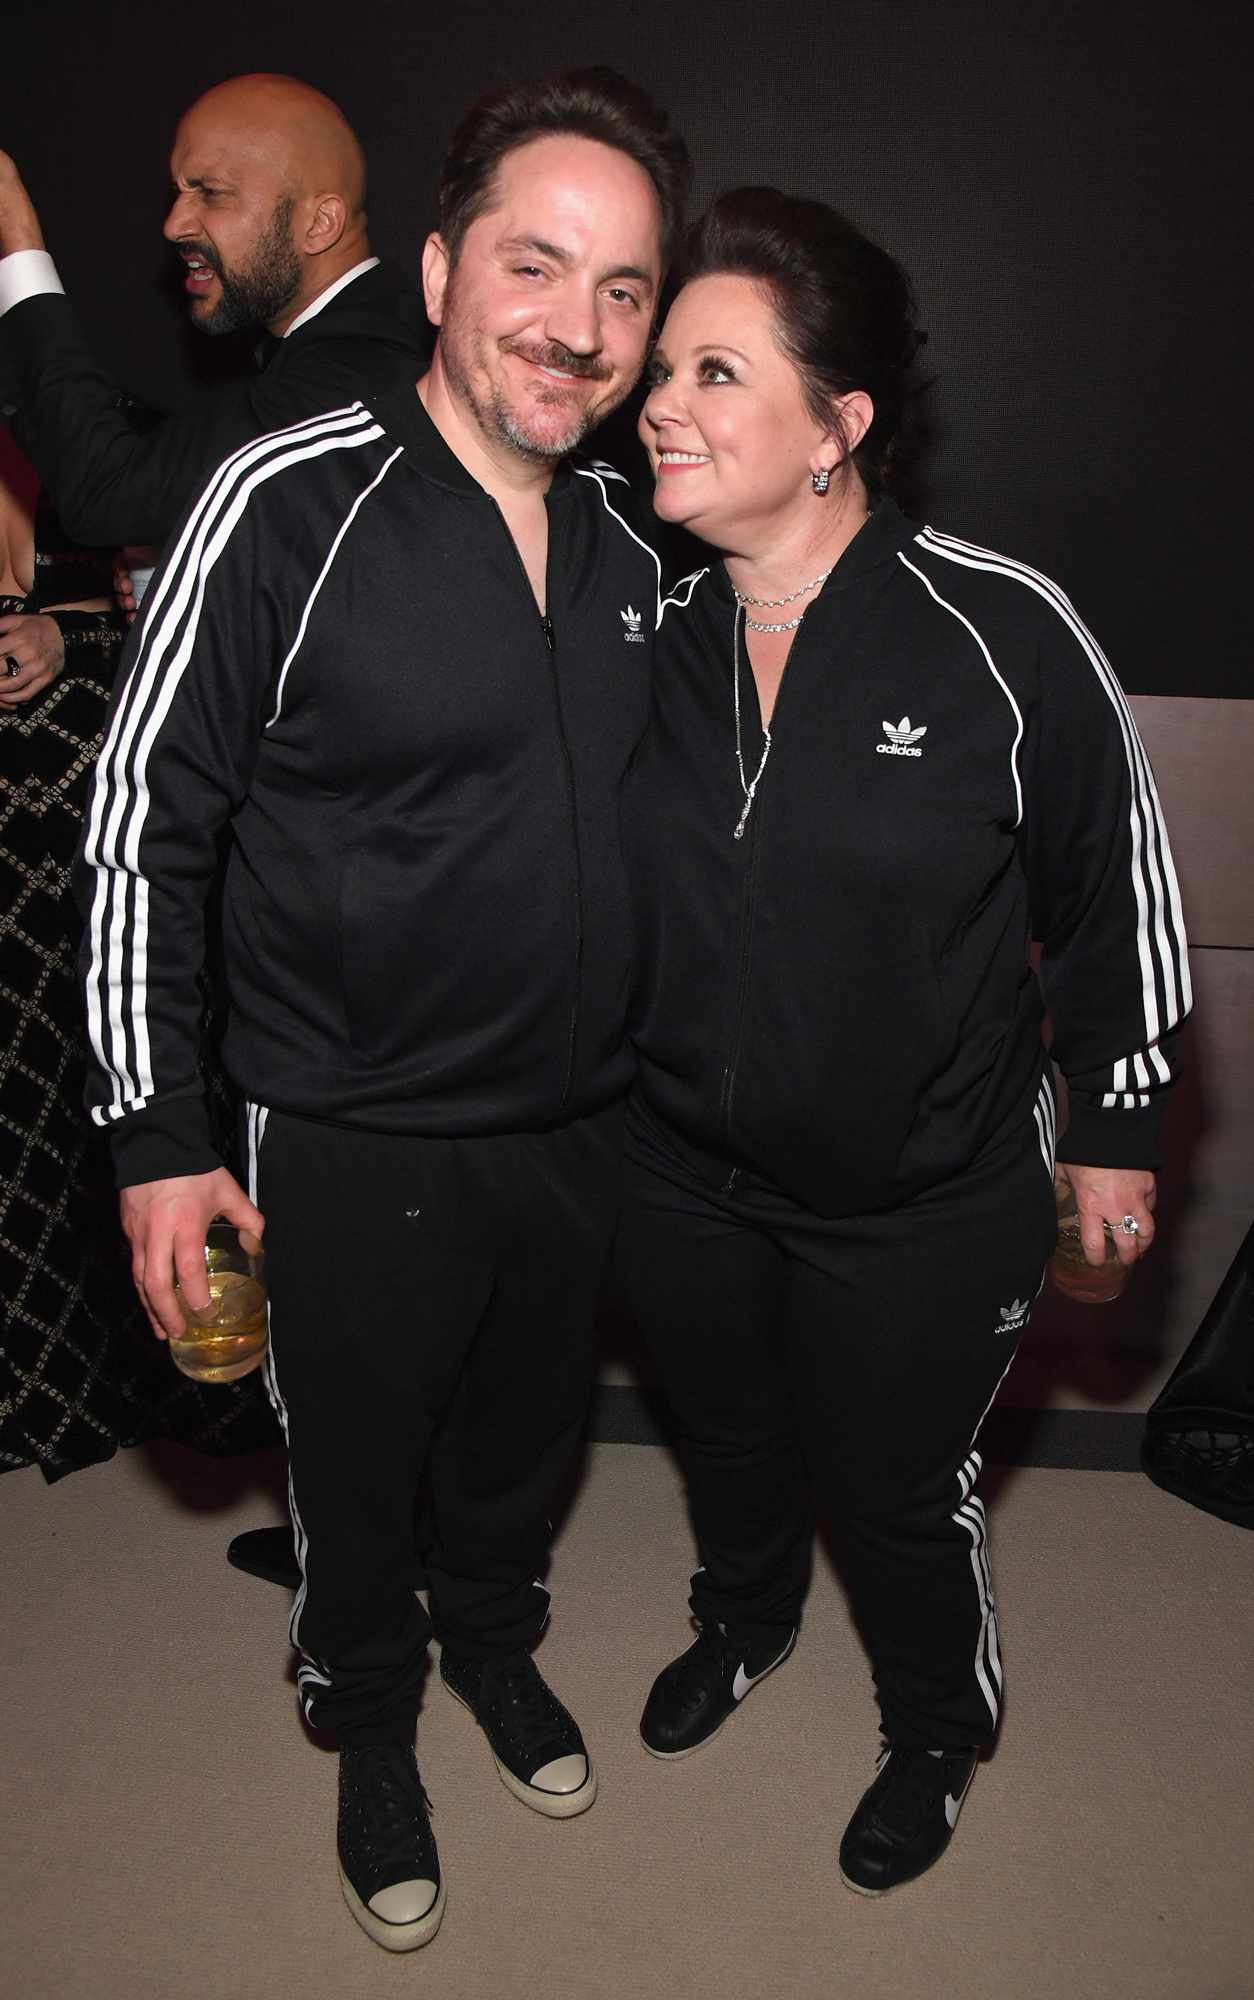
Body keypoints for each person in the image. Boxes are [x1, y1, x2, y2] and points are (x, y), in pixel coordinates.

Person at [80, 67, 688, 1951]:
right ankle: (369, 1725)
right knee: (351, 1473)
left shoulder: (636, 547)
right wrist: (158, 1140)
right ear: (435, 269)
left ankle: (494, 1649)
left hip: (575, 1127)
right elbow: (138, 823)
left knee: (517, 1454)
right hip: (340, 1129)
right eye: (533, 265)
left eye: (621, 290)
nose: (574, 330)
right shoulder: (285, 495)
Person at [617, 187, 1189, 1897]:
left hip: (920, 1195)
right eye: (659, 370)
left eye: (714, 373)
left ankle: (934, 1727)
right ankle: (740, 1621)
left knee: (891, 1487)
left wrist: (1113, 1133)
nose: (661, 403)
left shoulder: (995, 629)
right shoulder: (635, 626)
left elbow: (1118, 898)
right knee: (720, 1441)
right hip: (675, 1172)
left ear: (833, 428)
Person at [0, 73, 429, 550]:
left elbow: (109, 491)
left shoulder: (353, 375)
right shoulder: (359, 343)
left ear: (319, 223)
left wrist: (13, 237)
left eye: (211, 192)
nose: (173, 225)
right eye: (180, 192)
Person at [0, 426, 134, 1473]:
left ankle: (129, 1385)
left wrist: (63, 636)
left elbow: (192, 617)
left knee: (98, 1090)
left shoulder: (94, 439)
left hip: (96, 823)